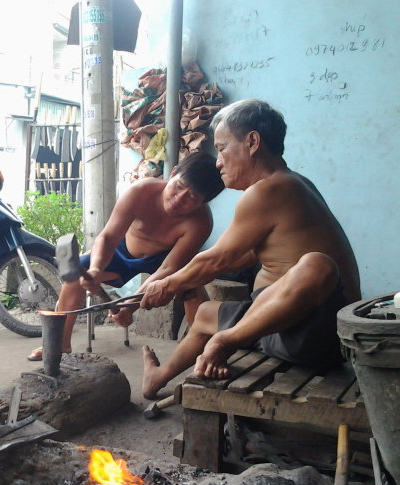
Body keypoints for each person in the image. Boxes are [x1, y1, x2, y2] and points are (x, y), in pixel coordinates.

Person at [139, 99, 361, 399]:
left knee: (316, 266)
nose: (218, 162)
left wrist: (168, 283)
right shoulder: (293, 183)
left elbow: (218, 259)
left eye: (221, 148)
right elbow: (244, 255)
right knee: (204, 313)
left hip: (313, 334)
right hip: (284, 327)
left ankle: (224, 342)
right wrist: (179, 281)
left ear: (252, 142)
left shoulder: (269, 189)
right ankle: (157, 378)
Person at [27, 152, 225, 361]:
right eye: (178, 186)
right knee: (73, 277)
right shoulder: (141, 192)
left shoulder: (200, 223)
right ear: (173, 172)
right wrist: (95, 269)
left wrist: (129, 305)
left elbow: (169, 268)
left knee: (191, 287)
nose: (178, 199)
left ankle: (206, 353)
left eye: (192, 198)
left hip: (161, 261)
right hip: (120, 253)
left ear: (204, 202)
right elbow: (109, 237)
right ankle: (59, 345)